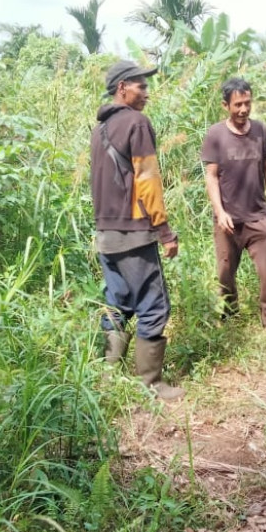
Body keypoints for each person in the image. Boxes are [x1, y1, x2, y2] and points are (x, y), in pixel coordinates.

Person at [89, 60, 184, 400]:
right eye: (141, 86)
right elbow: (147, 180)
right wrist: (165, 231)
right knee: (153, 305)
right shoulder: (136, 123)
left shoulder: (99, 129)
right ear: (122, 88)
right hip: (133, 233)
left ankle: (107, 376)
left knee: (117, 303)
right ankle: (151, 383)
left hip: (105, 234)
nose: (147, 92)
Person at [201, 78, 266, 332]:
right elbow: (211, 176)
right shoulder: (216, 134)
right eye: (237, 104)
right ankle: (229, 316)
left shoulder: (261, 131)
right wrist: (220, 212)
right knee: (226, 274)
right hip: (228, 219)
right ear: (225, 105)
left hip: (258, 215)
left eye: (247, 103)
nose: (243, 109)